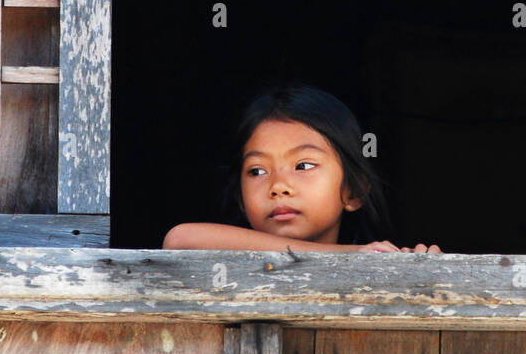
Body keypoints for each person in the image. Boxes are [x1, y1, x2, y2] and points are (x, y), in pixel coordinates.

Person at [162, 83, 442, 254]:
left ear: (353, 191)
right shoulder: (356, 256)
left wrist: (420, 264)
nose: (278, 186)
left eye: (303, 165)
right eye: (257, 171)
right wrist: (347, 254)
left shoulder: (372, 263)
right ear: (241, 200)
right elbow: (179, 241)